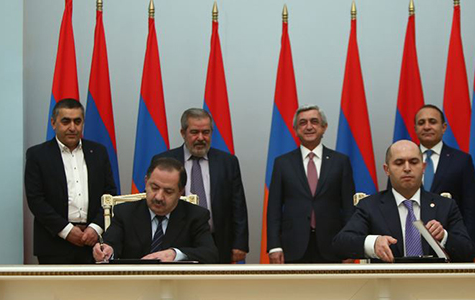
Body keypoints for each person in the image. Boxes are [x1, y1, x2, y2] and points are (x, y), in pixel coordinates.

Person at [333, 140, 474, 263]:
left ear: (423, 167)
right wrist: (373, 243)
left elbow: (467, 252)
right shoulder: (370, 206)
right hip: (388, 287)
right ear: (387, 170)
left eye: (413, 162)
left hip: (434, 286)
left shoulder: (445, 205)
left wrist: (443, 236)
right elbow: (340, 245)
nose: (407, 168)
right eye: (399, 163)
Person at [25, 98, 117, 264]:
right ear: (54, 123)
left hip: (94, 243)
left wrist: (95, 228)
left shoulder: (98, 152)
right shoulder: (37, 155)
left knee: (94, 290)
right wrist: (66, 230)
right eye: (66, 121)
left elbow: (110, 194)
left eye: (77, 121)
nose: (72, 127)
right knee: (55, 291)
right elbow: (36, 200)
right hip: (53, 242)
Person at [152, 108, 248, 264]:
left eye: (206, 132)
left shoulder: (227, 162)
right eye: (194, 132)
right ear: (183, 133)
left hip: (218, 242)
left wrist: (240, 244)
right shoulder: (164, 160)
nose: (201, 138)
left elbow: (238, 206)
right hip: (174, 242)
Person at [267, 104, 355, 263]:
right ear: (295, 129)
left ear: (324, 127)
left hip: (333, 246)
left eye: (314, 121)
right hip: (293, 247)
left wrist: (348, 246)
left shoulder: (340, 162)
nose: (308, 127)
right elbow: (274, 209)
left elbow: (349, 208)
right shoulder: (282, 163)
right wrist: (274, 246)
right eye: (302, 123)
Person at [93, 157, 219, 264]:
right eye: (154, 188)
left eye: (168, 191)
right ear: (146, 182)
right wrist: (106, 251)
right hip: (133, 285)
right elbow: (111, 244)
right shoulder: (125, 212)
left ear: (181, 191)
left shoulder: (195, 216)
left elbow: (210, 254)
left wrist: (175, 254)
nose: (159, 197)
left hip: (177, 287)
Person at [414, 104, 475, 259]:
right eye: (421, 123)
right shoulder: (404, 162)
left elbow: (471, 209)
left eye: (432, 121)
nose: (427, 126)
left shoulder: (461, 161)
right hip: (413, 244)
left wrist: (469, 250)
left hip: (451, 244)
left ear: (444, 127)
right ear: (415, 129)